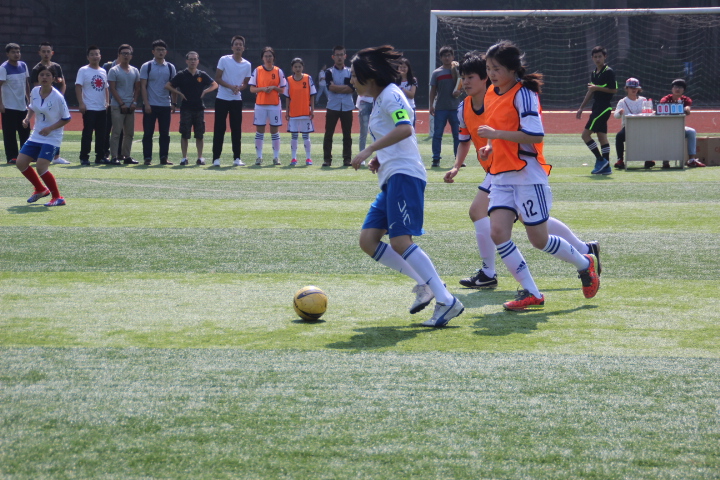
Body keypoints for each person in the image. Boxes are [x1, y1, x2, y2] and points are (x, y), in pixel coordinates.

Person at [445, 51, 601, 291]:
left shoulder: (515, 94)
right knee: (511, 225)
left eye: (471, 76)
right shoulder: (470, 104)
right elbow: (470, 138)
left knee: (516, 226)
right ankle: (537, 283)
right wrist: (463, 162)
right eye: (463, 77)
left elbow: (531, 133)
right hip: (499, 170)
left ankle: (580, 257)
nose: (465, 82)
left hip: (520, 168)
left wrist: (494, 137)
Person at [349, 45, 464, 328]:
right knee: (368, 241)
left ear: (368, 76)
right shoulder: (380, 98)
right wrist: (380, 157)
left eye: (353, 75)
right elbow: (395, 134)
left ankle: (446, 300)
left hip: (405, 175)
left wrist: (369, 149)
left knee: (401, 241)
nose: (351, 80)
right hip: (392, 176)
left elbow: (405, 128)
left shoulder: (391, 94)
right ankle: (426, 284)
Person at [16, 65, 70, 206]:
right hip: (36, 135)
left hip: (52, 137)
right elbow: (32, 107)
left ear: (53, 79)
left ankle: (58, 197)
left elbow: (66, 118)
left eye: (48, 75)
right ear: (38, 77)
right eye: (42, 75)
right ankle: (40, 189)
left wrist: (50, 128)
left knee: (41, 167)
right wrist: (27, 118)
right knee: (20, 163)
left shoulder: (57, 97)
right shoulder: (35, 91)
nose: (44, 77)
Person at [165, 51, 217, 165]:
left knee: (199, 134)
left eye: (195, 59)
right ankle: (184, 158)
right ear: (186, 61)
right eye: (191, 59)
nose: (193, 61)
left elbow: (215, 84)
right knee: (185, 134)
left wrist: (205, 91)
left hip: (199, 108)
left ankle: (200, 157)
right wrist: (179, 93)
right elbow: (168, 85)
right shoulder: (181, 74)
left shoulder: (202, 74)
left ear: (198, 61)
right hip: (186, 109)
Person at [576, 45, 617, 175]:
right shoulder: (594, 73)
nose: (597, 59)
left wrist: (596, 88)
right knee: (602, 137)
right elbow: (591, 91)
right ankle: (606, 167)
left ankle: (600, 160)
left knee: (585, 135)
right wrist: (581, 108)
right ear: (592, 58)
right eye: (595, 57)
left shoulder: (608, 71)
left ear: (605, 57)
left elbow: (614, 89)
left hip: (603, 108)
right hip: (596, 107)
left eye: (600, 56)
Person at [213, 35, 252, 167]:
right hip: (222, 98)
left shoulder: (247, 64)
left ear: (244, 48)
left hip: (236, 100)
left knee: (236, 129)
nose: (238, 46)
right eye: (236, 44)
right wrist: (231, 87)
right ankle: (216, 158)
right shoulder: (224, 59)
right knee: (219, 128)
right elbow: (218, 78)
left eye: (240, 44)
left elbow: (245, 84)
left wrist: (239, 88)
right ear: (232, 47)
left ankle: (237, 158)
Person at [139, 39, 177, 166]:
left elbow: (173, 86)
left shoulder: (170, 67)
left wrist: (174, 103)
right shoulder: (147, 66)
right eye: (158, 50)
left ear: (166, 52)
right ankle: (147, 158)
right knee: (148, 133)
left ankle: (164, 158)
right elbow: (143, 86)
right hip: (150, 105)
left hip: (165, 105)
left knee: (165, 134)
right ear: (153, 52)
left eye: (163, 50)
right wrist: (146, 103)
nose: (161, 52)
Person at [30, 42, 68, 165]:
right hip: (44, 104)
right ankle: (40, 154)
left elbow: (63, 83)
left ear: (52, 53)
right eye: (43, 51)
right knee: (43, 127)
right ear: (39, 53)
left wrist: (60, 98)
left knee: (57, 127)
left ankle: (56, 157)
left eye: (48, 51)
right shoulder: (36, 69)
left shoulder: (57, 67)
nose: (46, 54)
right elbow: (38, 87)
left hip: (55, 103)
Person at [249, 46, 287, 166]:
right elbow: (252, 89)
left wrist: (274, 87)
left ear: (273, 57)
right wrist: (262, 89)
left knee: (274, 131)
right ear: (262, 58)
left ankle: (276, 157)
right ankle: (259, 157)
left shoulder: (278, 71)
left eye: (270, 56)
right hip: (260, 104)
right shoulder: (258, 70)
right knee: (260, 131)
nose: (268, 58)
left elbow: (283, 90)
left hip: (274, 105)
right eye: (266, 56)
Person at [659, 78, 705, 168]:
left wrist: (686, 108)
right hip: (666, 127)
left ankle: (691, 159)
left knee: (691, 131)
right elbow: (663, 108)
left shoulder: (686, 100)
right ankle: (665, 161)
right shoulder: (666, 99)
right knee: (665, 134)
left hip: (679, 127)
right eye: (675, 87)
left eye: (680, 87)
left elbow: (688, 110)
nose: (677, 89)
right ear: (672, 89)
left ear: (683, 90)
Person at [75, 45, 109, 166]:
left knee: (102, 134)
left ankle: (100, 156)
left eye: (97, 54)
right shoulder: (83, 70)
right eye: (92, 54)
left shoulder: (103, 71)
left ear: (100, 56)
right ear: (88, 57)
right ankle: (84, 157)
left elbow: (106, 88)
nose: (95, 56)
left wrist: (107, 102)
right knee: (87, 134)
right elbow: (78, 87)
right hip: (89, 107)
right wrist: (81, 103)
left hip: (101, 108)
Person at [429, 45, 462, 167]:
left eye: (449, 55)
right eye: (444, 56)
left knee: (457, 135)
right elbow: (433, 90)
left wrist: (460, 91)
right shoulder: (437, 73)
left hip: (455, 108)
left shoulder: (458, 70)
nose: (447, 58)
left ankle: (458, 159)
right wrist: (431, 105)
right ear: (441, 58)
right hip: (440, 108)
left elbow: (464, 85)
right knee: (437, 135)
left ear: (453, 56)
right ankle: (436, 159)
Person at [108, 44, 140, 165]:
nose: (126, 56)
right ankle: (114, 156)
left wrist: (134, 102)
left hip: (130, 106)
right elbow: (112, 88)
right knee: (116, 132)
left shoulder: (135, 70)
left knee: (129, 133)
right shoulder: (114, 70)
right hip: (117, 106)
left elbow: (137, 88)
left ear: (131, 56)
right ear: (119, 55)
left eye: (128, 53)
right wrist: (121, 103)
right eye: (123, 53)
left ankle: (127, 156)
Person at [322, 45, 354, 167]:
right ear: (333, 57)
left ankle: (347, 159)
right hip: (332, 106)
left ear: (345, 56)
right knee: (328, 134)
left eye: (341, 55)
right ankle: (327, 159)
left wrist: (337, 88)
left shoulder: (350, 71)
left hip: (347, 106)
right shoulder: (329, 72)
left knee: (347, 135)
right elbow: (331, 88)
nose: (339, 57)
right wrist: (345, 88)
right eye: (337, 55)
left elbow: (352, 89)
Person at [0, 43, 31, 165]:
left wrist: (29, 99)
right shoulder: (3, 68)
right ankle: (12, 157)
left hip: (22, 106)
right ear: (7, 54)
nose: (16, 54)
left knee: (25, 132)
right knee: (10, 133)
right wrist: (1, 104)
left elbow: (26, 83)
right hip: (9, 107)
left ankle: (26, 155)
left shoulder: (23, 65)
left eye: (18, 52)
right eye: (13, 52)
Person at [284, 57, 316, 166]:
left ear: (303, 67)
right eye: (295, 67)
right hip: (293, 113)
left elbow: (312, 95)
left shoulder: (308, 78)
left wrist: (312, 110)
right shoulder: (289, 80)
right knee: (294, 136)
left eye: (299, 66)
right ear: (292, 68)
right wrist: (287, 111)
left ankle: (308, 158)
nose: (298, 69)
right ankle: (293, 158)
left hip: (305, 112)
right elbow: (287, 97)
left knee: (306, 136)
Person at [612, 77, 646, 170]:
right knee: (619, 136)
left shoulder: (643, 100)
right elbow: (616, 115)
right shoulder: (622, 101)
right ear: (626, 88)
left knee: (650, 134)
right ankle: (620, 160)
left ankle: (649, 159)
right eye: (631, 88)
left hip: (642, 127)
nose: (634, 89)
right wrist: (619, 113)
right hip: (628, 127)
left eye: (636, 88)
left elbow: (648, 112)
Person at [397, 57, 417, 129]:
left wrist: (402, 89)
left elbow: (411, 95)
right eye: (401, 67)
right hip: (398, 108)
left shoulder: (413, 80)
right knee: (399, 129)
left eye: (405, 67)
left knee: (411, 129)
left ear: (408, 68)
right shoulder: (394, 80)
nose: (403, 69)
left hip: (410, 107)